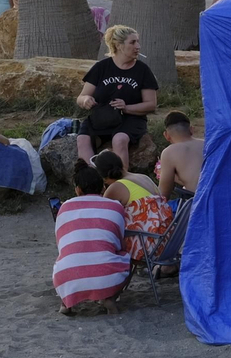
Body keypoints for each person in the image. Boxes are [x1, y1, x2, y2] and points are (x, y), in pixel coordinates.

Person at [52, 163, 132, 315]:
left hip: (67, 276)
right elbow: (120, 244)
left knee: (65, 257)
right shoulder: (115, 206)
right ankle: (109, 297)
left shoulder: (65, 207)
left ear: (78, 189)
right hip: (108, 277)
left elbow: (61, 245)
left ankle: (66, 303)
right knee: (126, 256)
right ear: (103, 188)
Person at [76, 25, 159, 162]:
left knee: (119, 139)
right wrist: (86, 100)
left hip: (131, 118)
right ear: (118, 45)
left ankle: (121, 175)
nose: (138, 46)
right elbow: (81, 97)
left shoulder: (143, 70)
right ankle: (89, 173)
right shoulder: (101, 67)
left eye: (138, 42)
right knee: (82, 139)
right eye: (132, 42)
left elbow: (151, 104)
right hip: (102, 116)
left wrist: (126, 107)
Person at [91, 150, 172, 262]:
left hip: (148, 245)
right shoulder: (143, 177)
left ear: (104, 177)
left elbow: (100, 218)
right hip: (168, 240)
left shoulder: (116, 187)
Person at [156, 110, 203, 197]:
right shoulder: (207, 144)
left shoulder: (169, 152)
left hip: (199, 200)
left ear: (166, 135)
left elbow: (164, 194)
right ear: (191, 129)